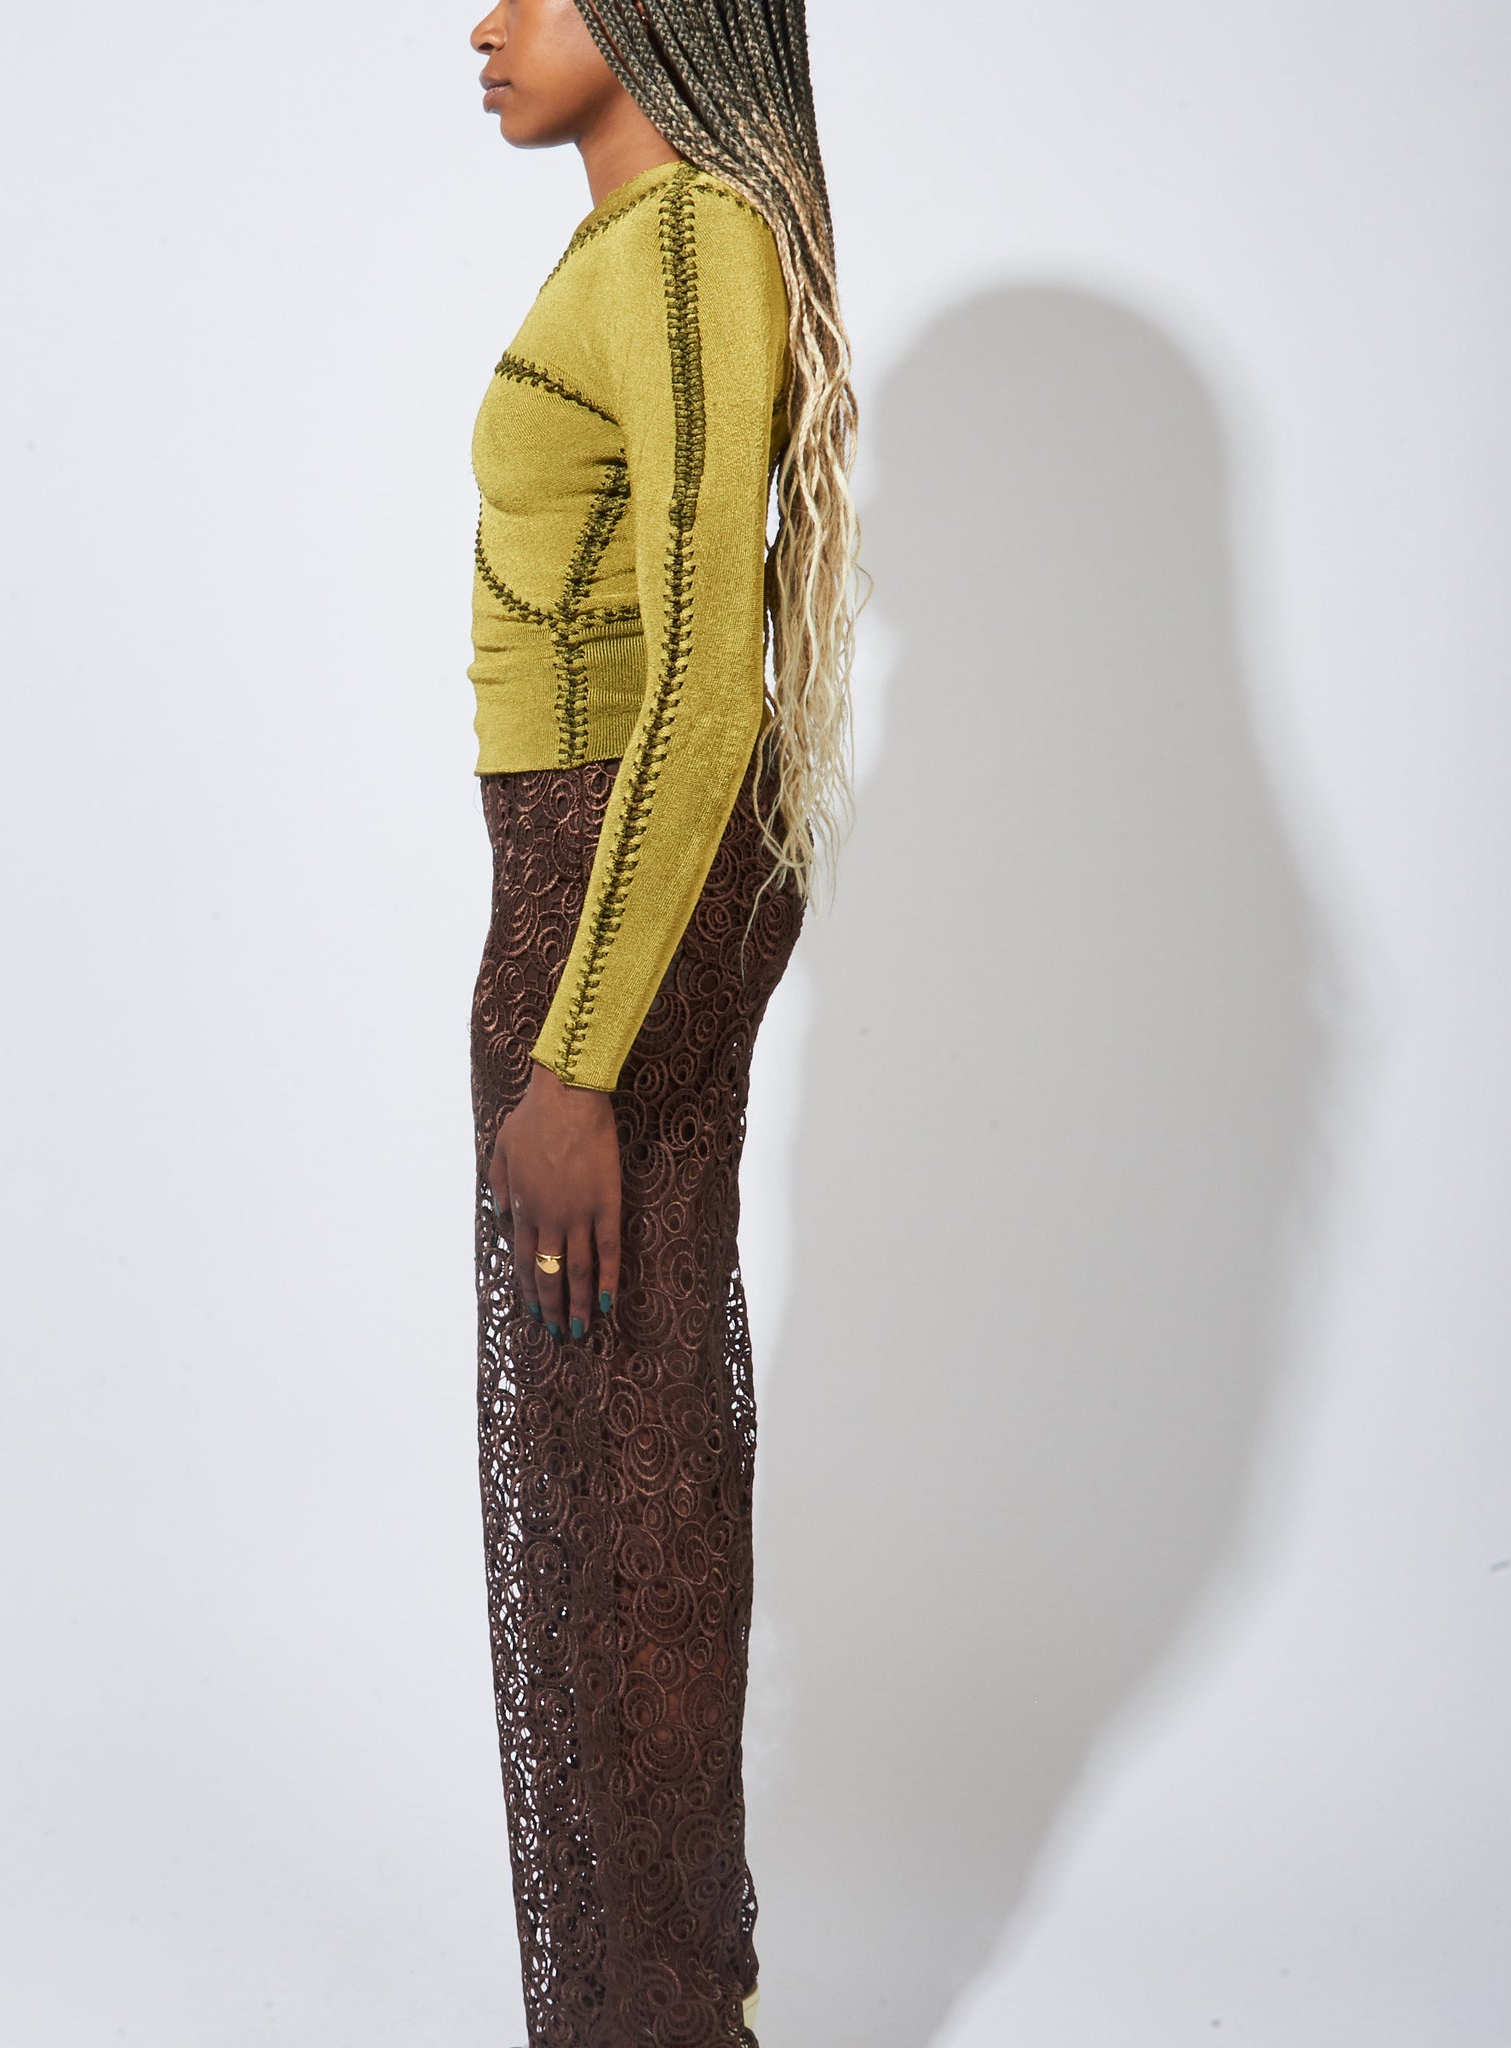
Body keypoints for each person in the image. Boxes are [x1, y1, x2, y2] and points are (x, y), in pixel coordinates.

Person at [463, 2, 862, 2042]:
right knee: (610, 1458)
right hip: (591, 867)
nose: (483, 22)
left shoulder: (692, 240)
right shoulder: (640, 241)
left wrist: (574, 1061)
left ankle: (663, 2015)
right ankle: (657, 2003)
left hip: (615, 883)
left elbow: (705, 671)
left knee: (620, 1469)